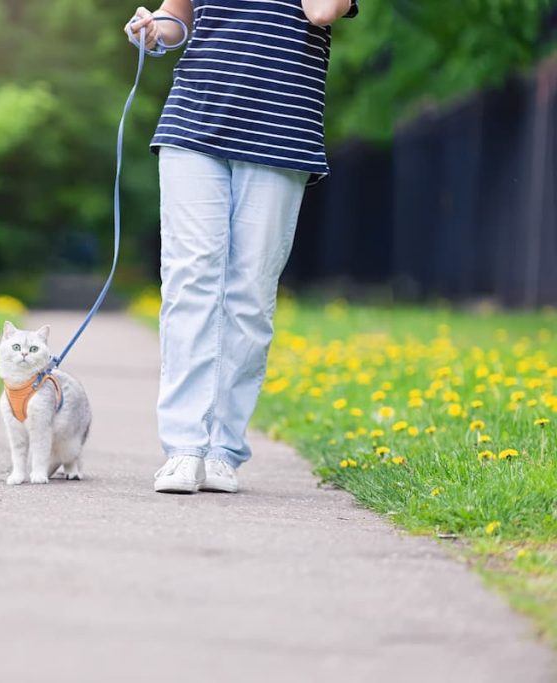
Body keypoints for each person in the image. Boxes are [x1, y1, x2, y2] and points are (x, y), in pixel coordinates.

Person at [125, 0, 359, 494]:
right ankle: (185, 449)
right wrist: (152, 29)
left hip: (280, 135)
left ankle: (223, 450)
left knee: (249, 295)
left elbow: (321, 12)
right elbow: (178, 17)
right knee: (191, 281)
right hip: (193, 122)